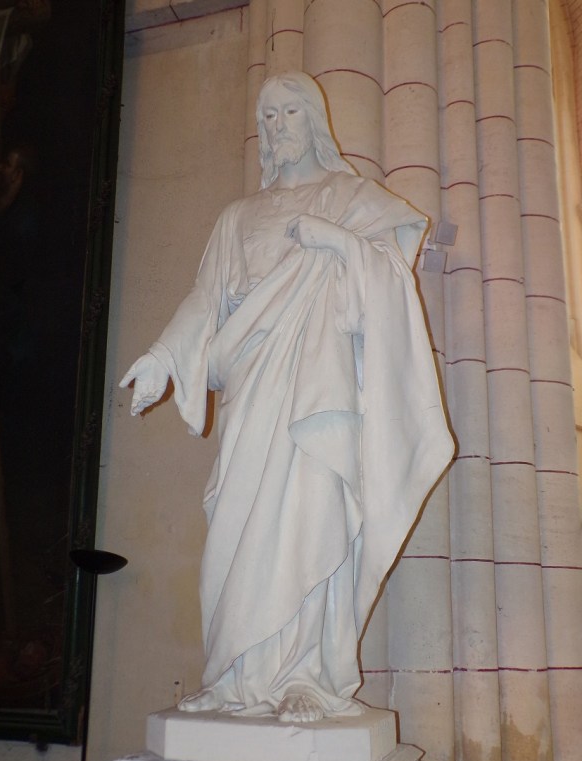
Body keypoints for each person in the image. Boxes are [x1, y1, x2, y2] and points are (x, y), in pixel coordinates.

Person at [120, 72, 454, 723]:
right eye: (267, 116)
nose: (277, 126)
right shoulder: (237, 217)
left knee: (311, 516)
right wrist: (162, 357)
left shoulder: (352, 198)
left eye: (290, 112)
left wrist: (337, 240)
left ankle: (307, 675)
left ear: (315, 120)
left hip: (316, 394)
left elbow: (391, 280)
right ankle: (233, 676)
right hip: (252, 391)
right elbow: (204, 300)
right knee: (236, 524)